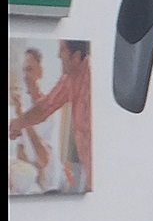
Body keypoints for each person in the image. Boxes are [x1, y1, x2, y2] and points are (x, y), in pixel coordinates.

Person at [8, 39, 92, 193]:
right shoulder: (68, 80)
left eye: (63, 50)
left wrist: (20, 120)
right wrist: (17, 122)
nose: (58, 55)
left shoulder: (93, 78)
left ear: (76, 56)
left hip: (54, 183)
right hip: (38, 181)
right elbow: (44, 108)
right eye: (24, 70)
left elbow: (44, 156)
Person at [9, 46, 65, 194]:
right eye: (24, 70)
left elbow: (44, 157)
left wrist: (23, 119)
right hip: (33, 180)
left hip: (50, 185)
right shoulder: (23, 103)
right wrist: (27, 169)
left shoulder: (50, 108)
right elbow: (21, 147)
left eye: (30, 70)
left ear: (41, 72)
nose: (26, 75)